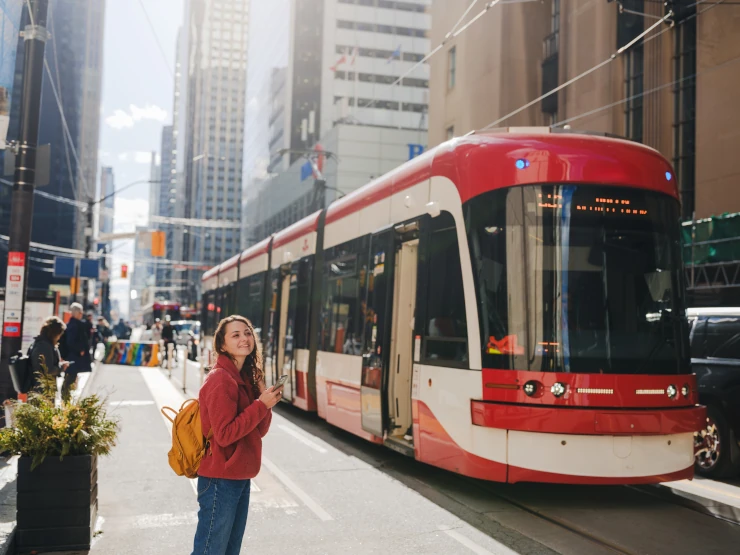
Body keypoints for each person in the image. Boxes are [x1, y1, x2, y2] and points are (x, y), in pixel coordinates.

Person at [193, 315, 281, 555]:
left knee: (229, 551)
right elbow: (224, 435)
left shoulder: (243, 379)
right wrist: (260, 405)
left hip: (239, 476)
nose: (245, 338)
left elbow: (258, 432)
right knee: (210, 550)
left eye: (248, 333)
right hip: (220, 479)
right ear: (222, 345)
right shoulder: (221, 379)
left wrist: (264, 399)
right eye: (236, 335)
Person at [30, 316, 70, 389]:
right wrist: (61, 367)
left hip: (42, 387)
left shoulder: (42, 343)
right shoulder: (45, 346)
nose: (59, 337)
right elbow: (48, 370)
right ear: (54, 333)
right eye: (59, 334)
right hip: (43, 389)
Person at [64, 303, 92, 400]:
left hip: (72, 356)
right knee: (70, 378)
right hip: (74, 356)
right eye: (80, 313)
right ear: (76, 313)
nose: (81, 314)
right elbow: (71, 341)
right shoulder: (75, 325)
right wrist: (80, 349)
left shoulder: (72, 324)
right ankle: (66, 400)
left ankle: (67, 399)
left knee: (71, 378)